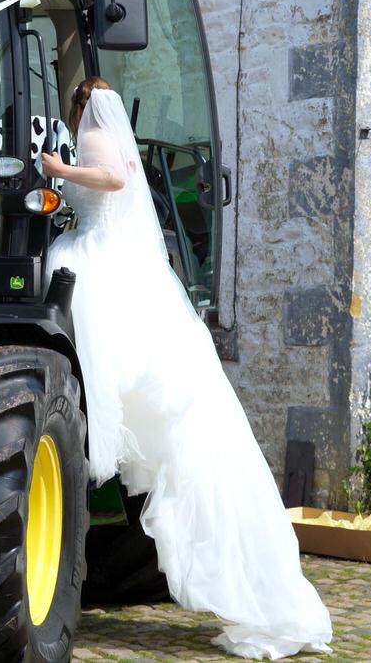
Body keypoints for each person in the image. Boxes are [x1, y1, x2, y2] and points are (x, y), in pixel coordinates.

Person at [40, 77, 334, 659]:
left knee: (106, 366)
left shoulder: (95, 140)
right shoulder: (103, 135)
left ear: (84, 108)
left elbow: (114, 181)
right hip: (104, 252)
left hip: (98, 261)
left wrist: (63, 172)